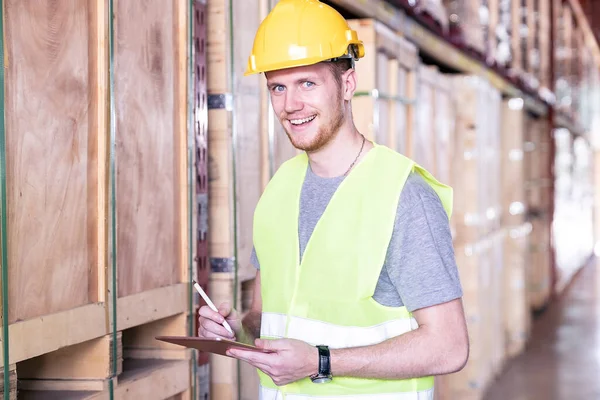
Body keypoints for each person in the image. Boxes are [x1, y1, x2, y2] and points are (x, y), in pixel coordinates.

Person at [198, 0, 469, 398]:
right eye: (278, 87)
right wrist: (235, 327)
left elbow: (449, 347)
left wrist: (321, 362)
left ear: (346, 84)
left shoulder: (403, 194)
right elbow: (268, 316)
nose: (290, 105)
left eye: (307, 83)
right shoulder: (280, 189)